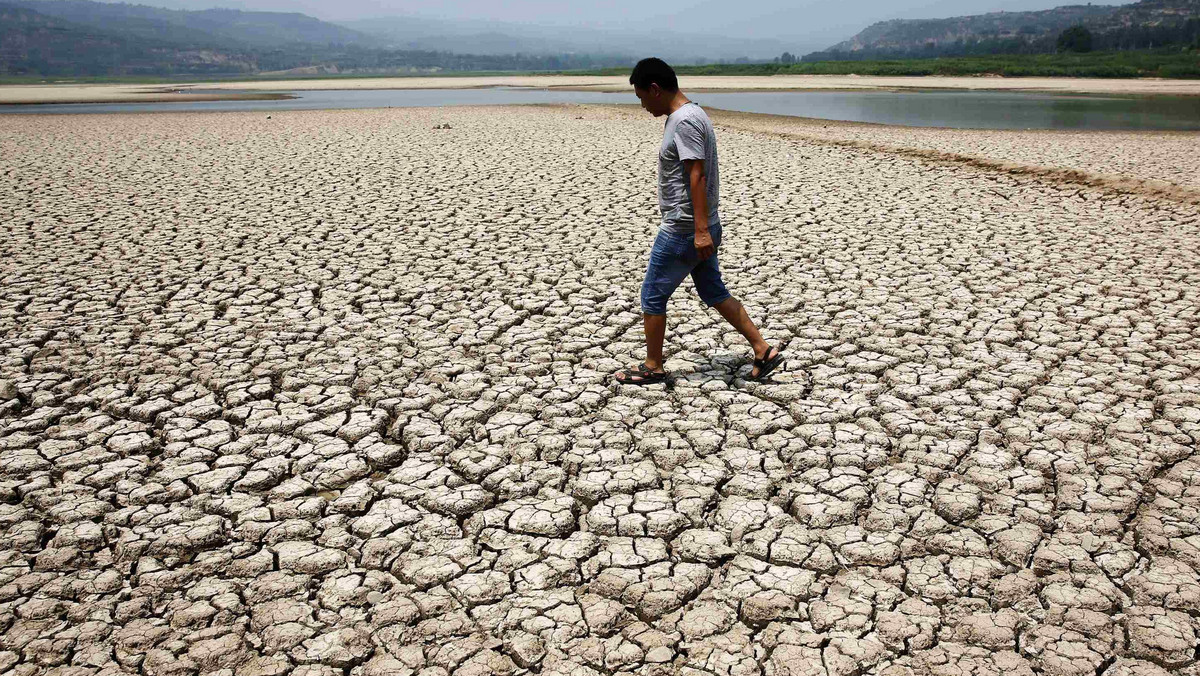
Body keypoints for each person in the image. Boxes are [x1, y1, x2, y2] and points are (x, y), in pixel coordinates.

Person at [615, 57, 784, 385]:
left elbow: (696, 174)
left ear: (655, 89)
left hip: (684, 229)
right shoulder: (685, 116)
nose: (642, 105)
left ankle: (653, 366)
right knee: (713, 291)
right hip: (696, 227)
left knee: (652, 295)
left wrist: (701, 231)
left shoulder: (686, 121)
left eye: (642, 97)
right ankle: (763, 350)